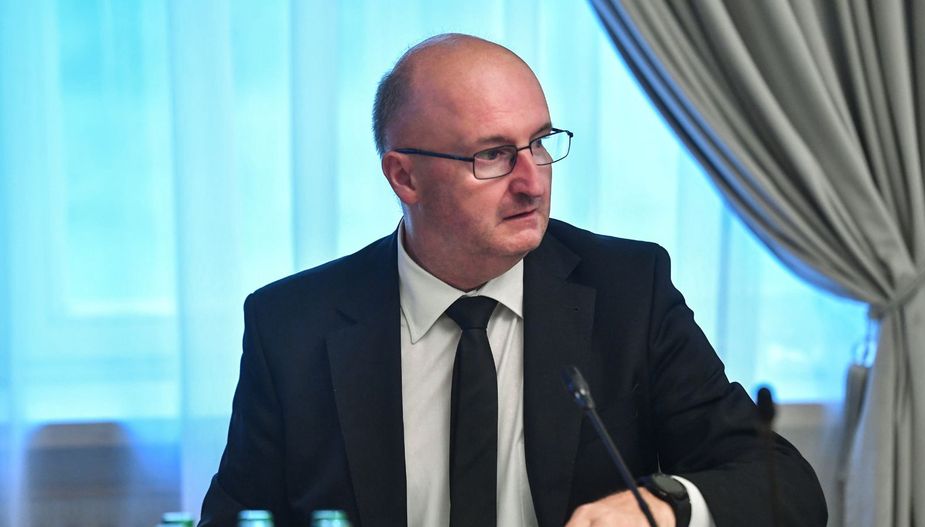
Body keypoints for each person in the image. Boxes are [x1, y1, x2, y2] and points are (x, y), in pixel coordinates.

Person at [199, 34, 827, 527]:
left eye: (541, 143)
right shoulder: (293, 326)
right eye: (493, 155)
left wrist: (664, 506)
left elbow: (785, 486)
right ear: (405, 177)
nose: (533, 182)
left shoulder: (628, 292)